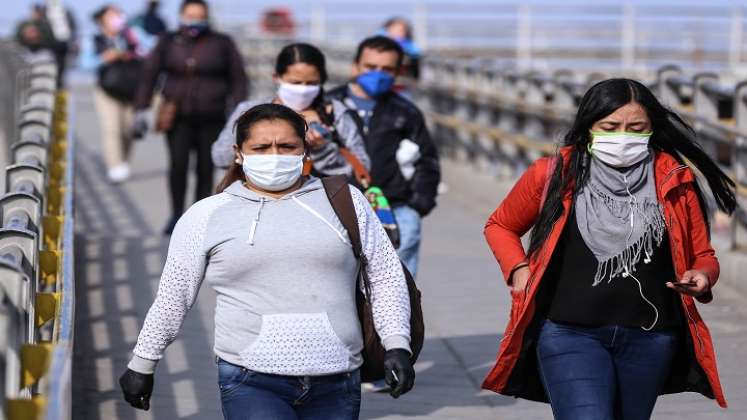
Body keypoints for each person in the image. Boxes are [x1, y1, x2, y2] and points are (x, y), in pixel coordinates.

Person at [118, 103, 415, 419]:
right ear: (238, 153)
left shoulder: (346, 201)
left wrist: (397, 344)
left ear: (304, 151)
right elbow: (173, 297)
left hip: (338, 376)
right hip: (250, 378)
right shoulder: (206, 215)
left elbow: (385, 275)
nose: (275, 155)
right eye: (261, 147)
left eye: (287, 146)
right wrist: (143, 363)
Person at [482, 78, 736, 419]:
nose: (622, 137)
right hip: (568, 333)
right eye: (610, 127)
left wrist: (702, 277)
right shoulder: (553, 173)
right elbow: (500, 225)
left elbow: (703, 256)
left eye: (636, 128)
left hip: (651, 338)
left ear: (651, 129)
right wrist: (518, 269)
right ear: (588, 127)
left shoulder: (675, 179)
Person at [327, 35, 440, 279]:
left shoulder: (406, 112)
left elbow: (428, 161)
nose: (378, 74)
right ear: (355, 66)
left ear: (397, 72)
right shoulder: (328, 106)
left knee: (400, 287)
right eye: (370, 67)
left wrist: (417, 206)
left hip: (396, 210)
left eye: (387, 69)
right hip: (338, 210)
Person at [132, 0, 248, 234]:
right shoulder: (168, 41)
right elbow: (150, 74)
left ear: (207, 17)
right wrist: (141, 108)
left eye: (199, 16)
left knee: (206, 169)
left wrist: (241, 111)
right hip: (177, 117)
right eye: (190, 15)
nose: (194, 20)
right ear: (181, 16)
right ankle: (176, 214)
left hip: (213, 115)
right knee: (178, 166)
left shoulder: (221, 43)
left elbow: (238, 79)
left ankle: (200, 216)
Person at [212, 42, 370, 180]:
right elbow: (220, 157)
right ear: (277, 77)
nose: (303, 89)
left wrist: (323, 149)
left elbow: (362, 167)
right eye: (295, 82)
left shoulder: (335, 114)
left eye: (311, 83)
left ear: (322, 81)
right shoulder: (249, 111)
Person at [82, 5, 144, 183]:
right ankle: (115, 166)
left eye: (119, 15)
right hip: (107, 90)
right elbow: (85, 64)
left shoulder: (131, 35)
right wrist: (104, 58)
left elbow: (149, 50)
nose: (117, 18)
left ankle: (123, 161)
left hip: (131, 90)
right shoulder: (93, 39)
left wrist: (132, 46)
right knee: (112, 129)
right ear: (102, 19)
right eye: (112, 15)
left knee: (128, 130)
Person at [381, 17, 421, 83]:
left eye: (402, 30)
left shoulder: (412, 50)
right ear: (387, 30)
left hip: (404, 84)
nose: (398, 33)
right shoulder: (379, 48)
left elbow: (415, 72)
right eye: (395, 29)